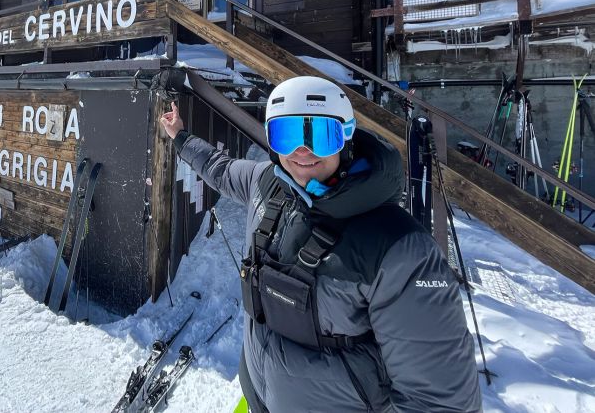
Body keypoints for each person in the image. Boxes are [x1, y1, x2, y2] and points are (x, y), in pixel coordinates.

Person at [160, 75, 482, 412]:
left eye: (320, 136)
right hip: (258, 396)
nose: (302, 151)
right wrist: (180, 136)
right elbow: (219, 168)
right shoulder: (267, 184)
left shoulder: (399, 249)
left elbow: (440, 402)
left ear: (346, 137)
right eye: (286, 136)